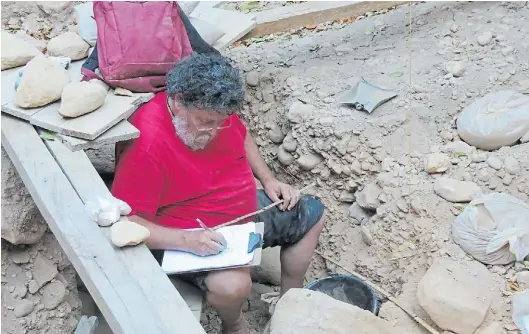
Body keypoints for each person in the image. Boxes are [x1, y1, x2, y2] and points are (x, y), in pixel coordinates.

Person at [111, 53, 325, 334]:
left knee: (311, 213)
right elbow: (129, 223)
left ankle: (288, 304)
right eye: (205, 122)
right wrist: (187, 240)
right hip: (191, 232)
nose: (213, 131)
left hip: (244, 213)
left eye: (220, 122)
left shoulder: (214, 109)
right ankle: (233, 324)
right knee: (233, 286)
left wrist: (269, 179)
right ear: (177, 101)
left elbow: (241, 132)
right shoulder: (147, 143)